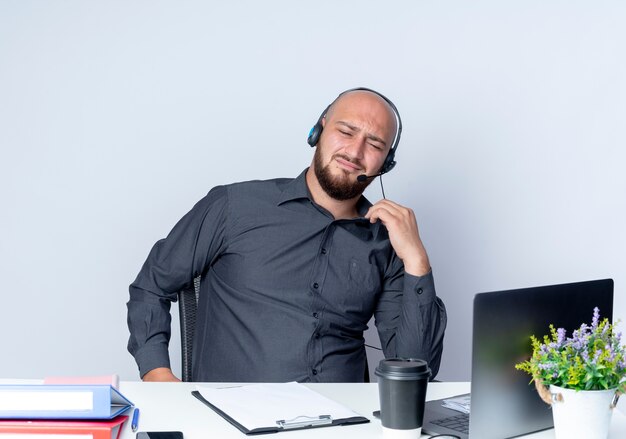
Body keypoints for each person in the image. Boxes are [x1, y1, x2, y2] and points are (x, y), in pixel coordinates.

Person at [126, 87, 447, 382]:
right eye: (346, 131)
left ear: (386, 163)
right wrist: (157, 375)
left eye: (375, 144)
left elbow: (415, 369)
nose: (355, 151)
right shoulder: (233, 206)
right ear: (318, 131)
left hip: (345, 422)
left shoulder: (386, 241)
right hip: (235, 421)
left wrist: (417, 260)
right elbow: (151, 286)